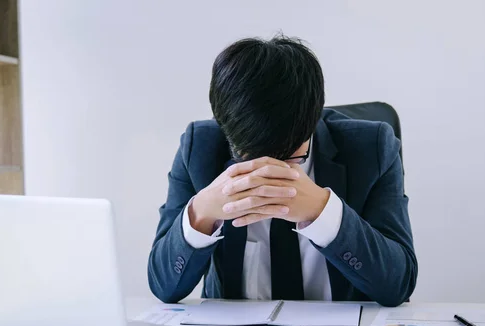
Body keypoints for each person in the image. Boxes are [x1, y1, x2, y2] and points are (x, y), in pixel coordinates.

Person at [147, 34, 417, 307]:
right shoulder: (200, 147)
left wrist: (324, 213)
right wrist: (201, 212)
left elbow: (398, 285)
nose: (269, 167)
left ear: (313, 119)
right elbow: (164, 287)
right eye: (251, 155)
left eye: (290, 155)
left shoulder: (372, 147)